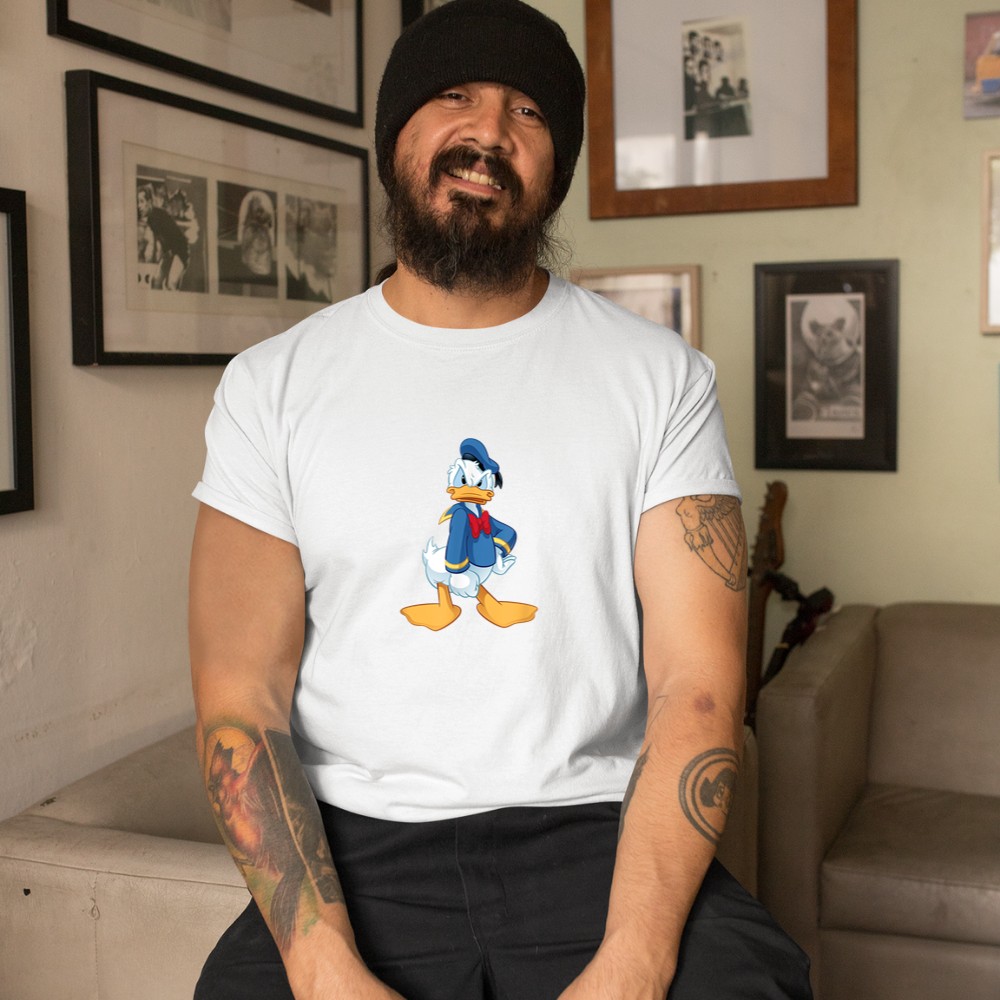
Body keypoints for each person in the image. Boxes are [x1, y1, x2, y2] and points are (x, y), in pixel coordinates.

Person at [188, 2, 812, 999]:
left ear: (555, 169)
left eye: (527, 111)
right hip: (357, 842)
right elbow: (240, 696)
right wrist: (321, 966)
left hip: (595, 829)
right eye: (453, 97)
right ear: (395, 137)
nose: (488, 132)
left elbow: (697, 686)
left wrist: (636, 961)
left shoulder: (661, 379)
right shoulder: (271, 387)